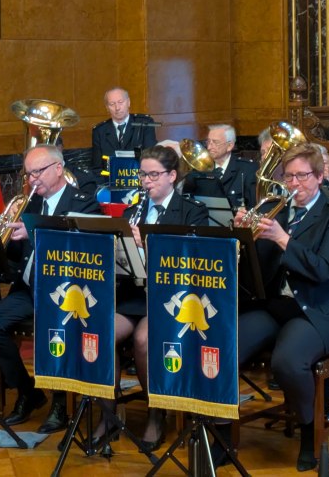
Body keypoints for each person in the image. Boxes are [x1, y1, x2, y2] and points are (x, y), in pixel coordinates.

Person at [230, 143, 329, 472]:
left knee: (288, 362)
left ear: (319, 177)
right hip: (277, 306)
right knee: (222, 347)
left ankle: (308, 432)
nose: (294, 184)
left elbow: (324, 269)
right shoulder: (278, 212)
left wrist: (283, 239)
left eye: (302, 176)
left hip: (319, 308)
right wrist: (245, 239)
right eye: (288, 177)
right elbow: (252, 277)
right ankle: (220, 435)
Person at [0, 144, 101, 434]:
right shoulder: (29, 204)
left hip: (64, 292)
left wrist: (34, 233)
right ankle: (28, 392)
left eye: (38, 171)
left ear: (59, 169)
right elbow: (14, 258)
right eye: (28, 173)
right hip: (27, 288)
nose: (32, 179)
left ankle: (61, 403)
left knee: (58, 328)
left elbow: (79, 247)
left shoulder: (83, 203)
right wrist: (1, 239)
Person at [102, 145, 207, 450]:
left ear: (172, 176)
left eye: (153, 175)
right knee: (102, 332)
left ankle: (155, 411)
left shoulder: (192, 210)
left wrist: (147, 243)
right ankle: (108, 413)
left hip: (172, 297)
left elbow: (192, 260)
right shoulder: (132, 209)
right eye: (143, 174)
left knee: (144, 341)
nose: (146, 181)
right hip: (135, 294)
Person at [183, 124, 257, 209]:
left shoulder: (247, 169)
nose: (209, 147)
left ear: (230, 146)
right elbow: (189, 202)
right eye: (208, 142)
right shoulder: (200, 169)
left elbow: (254, 207)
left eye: (215, 142)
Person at [91, 87, 157, 176]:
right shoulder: (99, 131)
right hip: (111, 182)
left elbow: (151, 160)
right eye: (112, 104)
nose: (117, 108)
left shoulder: (145, 124)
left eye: (120, 102)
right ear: (107, 107)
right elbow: (98, 168)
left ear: (128, 102)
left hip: (140, 180)